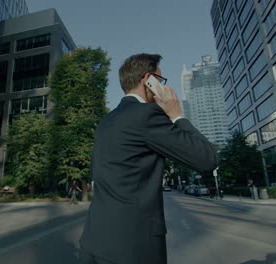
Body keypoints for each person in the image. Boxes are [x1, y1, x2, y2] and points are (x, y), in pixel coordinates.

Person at [79, 54, 218, 264]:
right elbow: (207, 159)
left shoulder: (106, 121)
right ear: (148, 80)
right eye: (160, 81)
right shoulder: (147, 114)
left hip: (93, 241)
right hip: (132, 248)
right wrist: (177, 115)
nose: (162, 86)